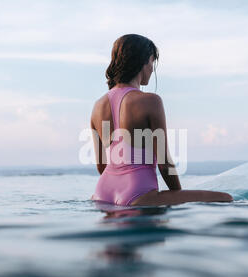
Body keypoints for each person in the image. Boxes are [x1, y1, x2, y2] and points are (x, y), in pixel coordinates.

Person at [91, 34, 233, 206]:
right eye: (152, 62)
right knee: (226, 198)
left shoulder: (97, 106)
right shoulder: (150, 101)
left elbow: (101, 166)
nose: (152, 69)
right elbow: (164, 164)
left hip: (102, 193)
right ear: (142, 62)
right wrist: (178, 196)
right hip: (138, 193)